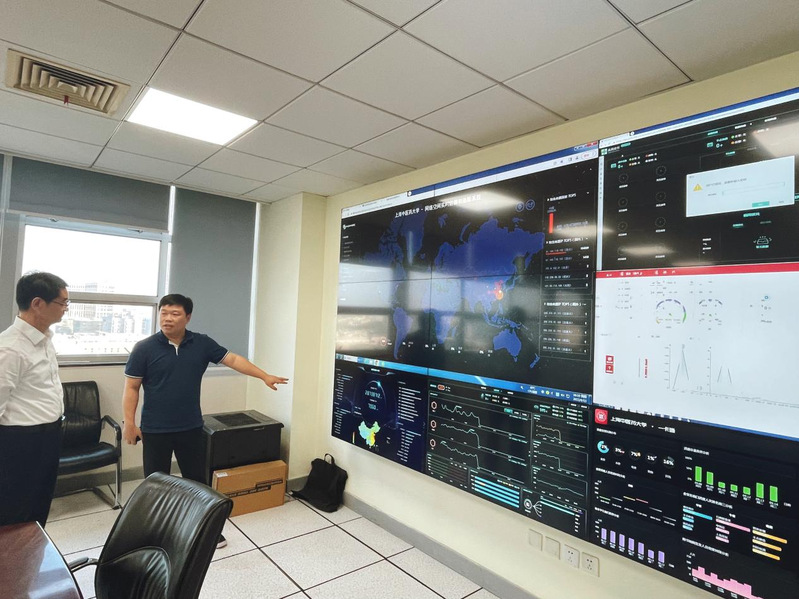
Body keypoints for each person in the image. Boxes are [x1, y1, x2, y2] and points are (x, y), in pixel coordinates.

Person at [122, 293, 288, 549]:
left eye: (174, 313)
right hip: (155, 429)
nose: (167, 318)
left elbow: (233, 360)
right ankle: (157, 533)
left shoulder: (201, 343)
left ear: (187, 317)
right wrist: (129, 424)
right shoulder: (144, 348)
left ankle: (205, 531)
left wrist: (263, 376)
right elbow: (131, 388)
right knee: (155, 484)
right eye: (163, 313)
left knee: (198, 482)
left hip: (191, 426)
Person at [0, 272, 70, 526]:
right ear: (38, 303)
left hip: (48, 435)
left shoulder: (44, 339)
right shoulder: (9, 348)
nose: (65, 309)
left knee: (39, 505)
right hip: (20, 441)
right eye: (62, 303)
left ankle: (35, 550)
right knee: (16, 511)